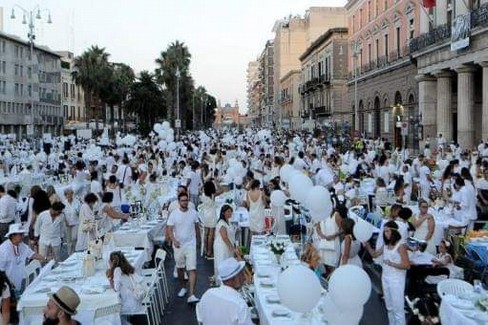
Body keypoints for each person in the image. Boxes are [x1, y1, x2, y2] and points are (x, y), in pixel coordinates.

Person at [364, 221, 410, 325]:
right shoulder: (386, 245)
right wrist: (367, 246)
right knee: (389, 308)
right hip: (386, 278)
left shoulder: (400, 246)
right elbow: (375, 255)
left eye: (387, 231)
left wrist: (392, 263)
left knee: (398, 309)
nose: (385, 234)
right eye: (384, 232)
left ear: (394, 232)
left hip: (396, 280)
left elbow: (407, 265)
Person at [167, 192, 200, 303]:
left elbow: (197, 227)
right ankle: (183, 287)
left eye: (186, 200)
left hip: (190, 244)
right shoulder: (174, 214)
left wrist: (198, 241)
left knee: (192, 268)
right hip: (178, 245)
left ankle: (191, 294)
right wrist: (174, 240)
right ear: (179, 202)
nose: (185, 202)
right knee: (180, 268)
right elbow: (169, 229)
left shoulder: (193, 213)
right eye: (182, 200)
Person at [198, 257, 252, 325]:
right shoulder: (240, 305)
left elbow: (200, 317)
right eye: (241, 274)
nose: (244, 278)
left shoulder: (207, 294)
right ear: (235, 279)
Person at [0, 223, 44, 295]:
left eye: (22, 234)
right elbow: (1, 270)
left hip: (17, 284)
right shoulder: (3, 249)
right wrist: (8, 283)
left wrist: (45, 258)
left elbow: (32, 254)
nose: (23, 236)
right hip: (6, 286)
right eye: (20, 234)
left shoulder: (21, 245)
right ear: (13, 235)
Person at [106, 251, 144, 324]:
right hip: (136, 300)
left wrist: (110, 280)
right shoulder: (127, 267)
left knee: (112, 309)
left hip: (129, 304)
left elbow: (116, 289)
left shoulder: (117, 270)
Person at [213, 205, 239, 285]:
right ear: (223, 213)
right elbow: (224, 237)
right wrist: (233, 249)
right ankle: (222, 283)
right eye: (228, 211)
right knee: (222, 263)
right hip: (222, 247)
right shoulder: (221, 223)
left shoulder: (228, 222)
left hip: (227, 246)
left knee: (227, 264)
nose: (230, 213)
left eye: (231, 211)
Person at [200, 181, 218, 259]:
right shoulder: (212, 195)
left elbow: (200, 189)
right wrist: (217, 183)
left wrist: (204, 184)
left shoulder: (203, 195)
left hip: (205, 215)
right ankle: (209, 252)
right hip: (212, 215)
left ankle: (206, 249)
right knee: (211, 235)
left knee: (206, 233)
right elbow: (222, 190)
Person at [62, 188, 80, 255]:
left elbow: (80, 211)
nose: (69, 196)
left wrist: (78, 213)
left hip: (75, 222)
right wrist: (66, 221)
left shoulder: (77, 201)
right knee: (68, 240)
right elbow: (62, 213)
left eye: (70, 194)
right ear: (65, 195)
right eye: (67, 195)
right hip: (67, 223)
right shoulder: (64, 203)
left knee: (74, 237)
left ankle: (75, 250)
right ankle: (70, 253)